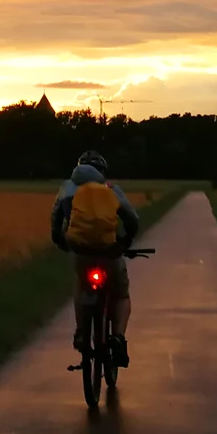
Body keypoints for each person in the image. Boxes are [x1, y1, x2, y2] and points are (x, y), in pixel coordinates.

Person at [50, 149, 140, 367]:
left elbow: (56, 222)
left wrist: (63, 243)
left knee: (82, 288)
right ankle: (117, 337)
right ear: (102, 172)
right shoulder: (111, 190)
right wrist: (124, 243)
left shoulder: (67, 188)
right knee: (120, 294)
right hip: (109, 251)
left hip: (80, 251)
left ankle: (82, 335)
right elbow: (132, 220)